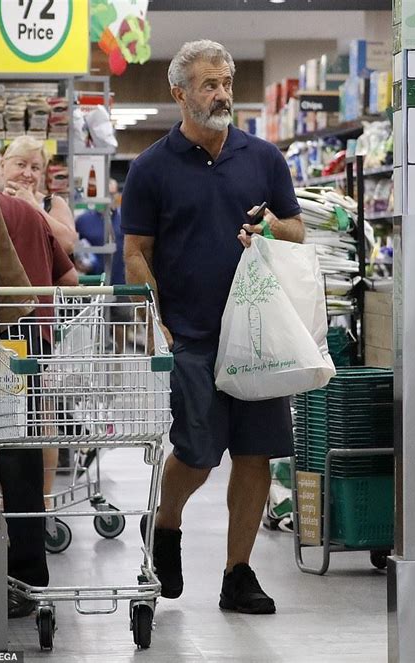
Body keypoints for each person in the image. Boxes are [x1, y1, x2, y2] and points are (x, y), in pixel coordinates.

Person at [122, 40, 304, 615]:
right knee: (197, 452)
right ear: (179, 93)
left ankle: (237, 572)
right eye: (208, 84)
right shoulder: (151, 168)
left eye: (225, 81)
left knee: (255, 454)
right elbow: (135, 252)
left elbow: (297, 229)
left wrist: (273, 228)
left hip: (257, 334)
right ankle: (166, 522)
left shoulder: (263, 158)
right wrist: (157, 325)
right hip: (192, 335)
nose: (222, 92)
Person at [0, 161, 77, 618]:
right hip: (17, 342)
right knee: (20, 450)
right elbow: (69, 278)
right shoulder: (28, 213)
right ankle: (28, 575)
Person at [0, 135, 77, 255]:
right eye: (21, 165)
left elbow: (68, 245)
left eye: (35, 168)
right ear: (3, 165)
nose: (27, 174)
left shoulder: (53, 204)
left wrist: (33, 205)